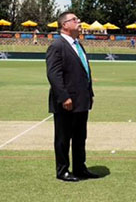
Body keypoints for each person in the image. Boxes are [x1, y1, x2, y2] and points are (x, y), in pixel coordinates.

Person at [46, 11, 98, 182]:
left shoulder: (78, 44)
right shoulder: (57, 45)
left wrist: (89, 94)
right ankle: (62, 171)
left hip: (81, 101)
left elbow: (83, 72)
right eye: (74, 20)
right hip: (66, 102)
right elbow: (54, 74)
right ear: (64, 25)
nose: (79, 22)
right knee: (62, 139)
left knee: (80, 137)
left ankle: (80, 168)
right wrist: (64, 97)